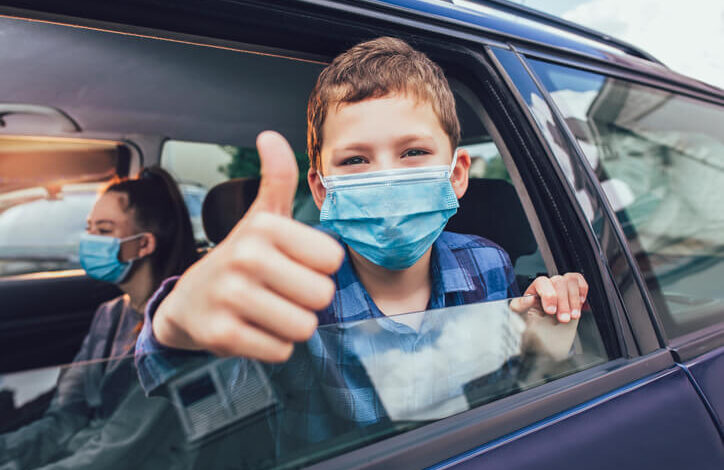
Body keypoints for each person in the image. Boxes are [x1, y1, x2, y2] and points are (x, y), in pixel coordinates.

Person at [134, 37, 587, 451]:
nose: (385, 180)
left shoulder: (488, 265)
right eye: (354, 159)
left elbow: (507, 398)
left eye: (413, 152)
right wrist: (175, 330)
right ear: (321, 189)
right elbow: (208, 403)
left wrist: (542, 352)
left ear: (456, 174)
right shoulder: (289, 291)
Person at [0, 167, 197, 469]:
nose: (89, 240)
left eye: (104, 231)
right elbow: (67, 416)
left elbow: (124, 446)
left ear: (144, 244)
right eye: (89, 228)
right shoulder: (110, 314)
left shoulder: (178, 331)